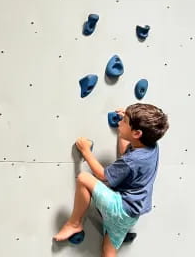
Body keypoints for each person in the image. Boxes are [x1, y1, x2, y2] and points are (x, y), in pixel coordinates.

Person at [54, 103, 169, 256]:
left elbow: (103, 175)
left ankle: (74, 223)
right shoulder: (152, 146)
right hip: (131, 215)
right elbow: (126, 155)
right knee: (108, 250)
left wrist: (85, 151)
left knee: (83, 178)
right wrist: (127, 119)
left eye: (124, 122)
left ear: (136, 133)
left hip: (119, 208)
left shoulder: (132, 161)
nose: (120, 123)